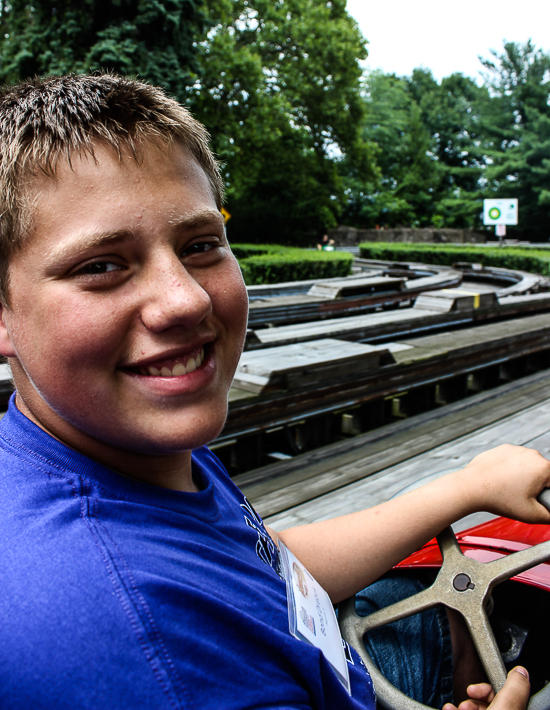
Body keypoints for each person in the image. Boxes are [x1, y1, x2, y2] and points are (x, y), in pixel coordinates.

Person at [0, 75, 548, 710]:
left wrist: (466, 484)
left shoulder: (115, 442)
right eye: (101, 266)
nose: (188, 298)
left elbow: (264, 568)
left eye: (201, 245)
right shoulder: (153, 657)